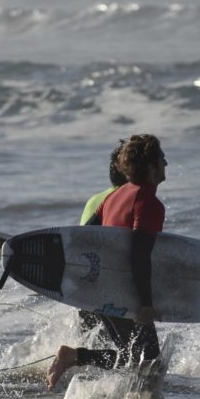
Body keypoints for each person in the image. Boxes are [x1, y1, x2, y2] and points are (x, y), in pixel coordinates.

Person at [46, 134, 167, 391]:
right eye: (161, 158)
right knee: (148, 360)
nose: (166, 163)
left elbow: (83, 238)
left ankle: (77, 361)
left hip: (99, 288)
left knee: (135, 358)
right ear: (150, 166)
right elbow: (139, 255)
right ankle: (73, 358)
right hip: (122, 290)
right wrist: (145, 303)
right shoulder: (148, 201)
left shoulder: (113, 197)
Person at [76, 140, 127, 334]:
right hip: (108, 288)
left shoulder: (95, 198)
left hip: (82, 283)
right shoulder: (124, 199)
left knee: (90, 345)